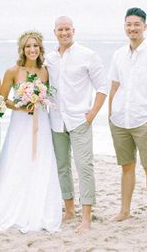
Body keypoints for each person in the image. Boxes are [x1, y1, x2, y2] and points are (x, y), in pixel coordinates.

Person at [0, 30, 61, 232]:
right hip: (20, 122)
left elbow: (50, 95)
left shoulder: (45, 71)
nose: (32, 50)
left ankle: (38, 211)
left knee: (41, 161)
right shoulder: (13, 71)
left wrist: (39, 99)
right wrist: (20, 105)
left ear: (41, 48)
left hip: (41, 122)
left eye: (35, 46)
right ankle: (9, 209)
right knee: (16, 160)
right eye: (28, 46)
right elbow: (3, 99)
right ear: (22, 49)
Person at [108, 8, 147, 230]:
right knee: (126, 167)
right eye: (128, 24)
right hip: (120, 120)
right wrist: (110, 114)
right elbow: (114, 85)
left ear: (144, 26)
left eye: (136, 24)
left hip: (144, 120)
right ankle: (124, 211)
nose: (132, 28)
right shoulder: (118, 55)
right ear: (125, 26)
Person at [46, 16, 108, 233]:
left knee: (84, 167)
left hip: (79, 120)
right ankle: (69, 210)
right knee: (62, 167)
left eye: (68, 29)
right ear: (54, 32)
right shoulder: (49, 59)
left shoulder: (87, 55)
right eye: (60, 30)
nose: (64, 33)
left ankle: (86, 218)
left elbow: (102, 87)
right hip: (55, 120)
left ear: (74, 30)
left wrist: (91, 114)